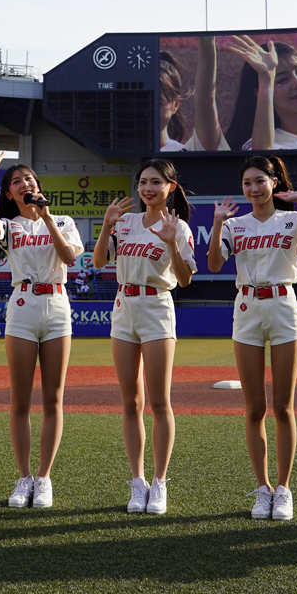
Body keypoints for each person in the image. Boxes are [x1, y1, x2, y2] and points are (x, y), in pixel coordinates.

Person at [208, 155, 297, 520]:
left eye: (260, 181)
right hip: (246, 308)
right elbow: (215, 264)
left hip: (283, 306)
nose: (253, 188)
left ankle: (283, 489)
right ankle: (262, 489)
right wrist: (217, 225)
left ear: (274, 182)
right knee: (253, 408)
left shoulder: (292, 219)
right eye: (247, 182)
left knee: (282, 406)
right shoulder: (235, 225)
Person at [0, 147, 83, 508]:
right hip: (21, 305)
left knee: (53, 399)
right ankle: (23, 478)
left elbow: (69, 257)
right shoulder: (10, 226)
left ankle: (44, 478)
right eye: (17, 181)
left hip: (56, 303)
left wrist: (48, 216)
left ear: (39, 186)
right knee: (20, 400)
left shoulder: (64, 221)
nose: (25, 184)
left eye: (30, 179)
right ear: (10, 192)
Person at [94, 159, 195, 515]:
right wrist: (106, 227)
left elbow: (184, 279)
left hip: (156, 308)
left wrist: (170, 243)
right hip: (124, 308)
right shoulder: (127, 222)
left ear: (170, 186)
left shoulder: (177, 226)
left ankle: (160, 482)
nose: (147, 188)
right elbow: (98, 262)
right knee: (130, 401)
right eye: (143, 182)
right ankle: (138, 481)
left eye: (155, 182)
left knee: (158, 401)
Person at [158, 38, 228, 152]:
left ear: (175, 106)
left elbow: (206, 102)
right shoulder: (120, 153)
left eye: (157, 102)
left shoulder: (186, 152)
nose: (147, 109)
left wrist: (206, 39)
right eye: (140, 101)